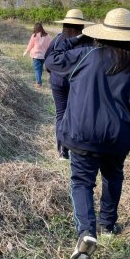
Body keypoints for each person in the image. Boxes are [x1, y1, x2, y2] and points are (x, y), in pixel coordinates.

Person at [45, 8, 130, 259]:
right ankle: (108, 224)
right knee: (113, 176)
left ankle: (86, 232)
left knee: (81, 182)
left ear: (102, 33)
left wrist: (78, 37)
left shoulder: (83, 55)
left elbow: (51, 59)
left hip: (81, 135)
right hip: (117, 139)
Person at [44, 9, 95, 159]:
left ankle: (62, 151)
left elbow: (48, 61)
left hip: (57, 82)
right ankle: (77, 145)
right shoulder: (89, 41)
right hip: (77, 83)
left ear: (65, 24)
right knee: (75, 114)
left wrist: (55, 75)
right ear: (82, 26)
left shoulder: (58, 39)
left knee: (61, 115)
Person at [23, 22, 52, 87]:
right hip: (44, 56)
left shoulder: (34, 35)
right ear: (42, 28)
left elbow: (30, 45)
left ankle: (39, 83)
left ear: (35, 28)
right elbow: (50, 46)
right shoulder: (47, 36)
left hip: (36, 55)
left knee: (37, 69)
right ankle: (44, 82)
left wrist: (26, 51)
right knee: (41, 69)